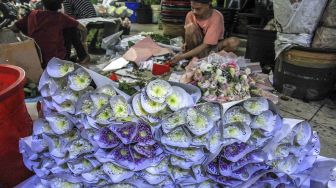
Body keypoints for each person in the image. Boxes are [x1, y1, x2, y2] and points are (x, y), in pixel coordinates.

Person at [10, 0, 89, 68]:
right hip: (56, 61)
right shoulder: (61, 17)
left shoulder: (32, 14)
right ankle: (83, 56)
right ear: (60, 4)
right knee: (71, 28)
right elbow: (84, 29)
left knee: (68, 26)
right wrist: (84, 42)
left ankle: (81, 57)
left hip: (36, 58)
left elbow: (14, 28)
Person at [170, 0, 240, 64]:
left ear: (208, 5)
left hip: (211, 48)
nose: (194, 11)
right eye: (192, 8)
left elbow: (206, 45)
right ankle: (194, 57)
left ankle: (210, 58)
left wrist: (182, 56)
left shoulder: (216, 17)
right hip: (195, 47)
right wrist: (185, 43)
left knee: (234, 42)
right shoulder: (190, 15)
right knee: (190, 27)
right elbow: (188, 34)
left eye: (198, 9)